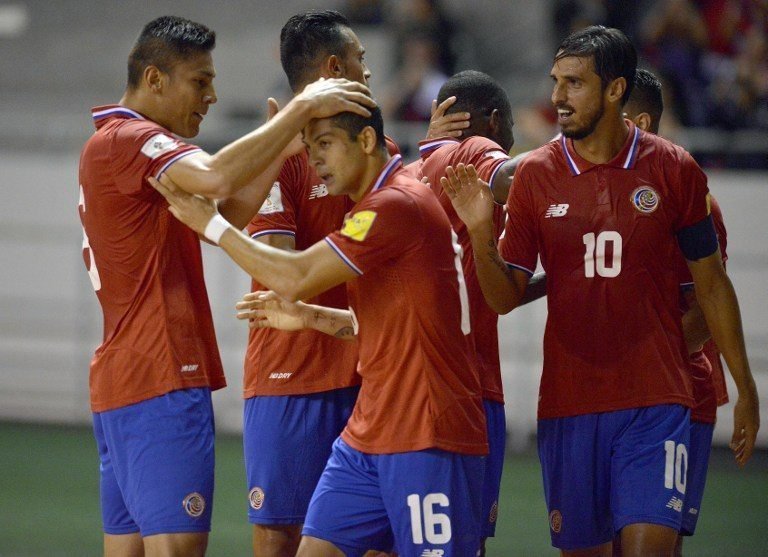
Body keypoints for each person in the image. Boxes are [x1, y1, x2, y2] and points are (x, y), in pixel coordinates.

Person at [441, 25, 760, 555]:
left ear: (615, 90)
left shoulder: (675, 169)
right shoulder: (536, 177)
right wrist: (479, 232)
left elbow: (712, 285)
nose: (558, 98)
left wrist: (745, 389)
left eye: (574, 84)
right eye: (555, 82)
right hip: (570, 404)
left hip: (657, 403)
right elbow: (501, 298)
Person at [78, 15, 374, 557]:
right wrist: (301, 113)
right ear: (155, 78)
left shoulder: (110, 144)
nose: (212, 95)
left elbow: (225, 215)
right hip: (162, 370)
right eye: (200, 80)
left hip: (123, 377)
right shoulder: (135, 139)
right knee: (181, 549)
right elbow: (215, 177)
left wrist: (281, 151)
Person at [150, 106, 488, 556]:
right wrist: (313, 318)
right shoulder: (382, 203)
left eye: (325, 146)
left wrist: (211, 223)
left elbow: (294, 275)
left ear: (366, 141)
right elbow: (393, 322)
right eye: (310, 150)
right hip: (370, 430)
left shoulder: (395, 204)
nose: (315, 162)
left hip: (426, 429)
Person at [239, 10, 463, 556]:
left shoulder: (379, 154)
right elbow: (280, 269)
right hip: (291, 371)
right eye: (361, 59)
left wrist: (420, 167)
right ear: (336, 65)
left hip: (371, 370)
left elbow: (396, 228)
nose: (368, 70)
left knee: (374, 537)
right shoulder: (276, 153)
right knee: (279, 534)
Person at [404, 69, 543, 554]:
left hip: (406, 387)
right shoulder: (471, 153)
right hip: (466, 386)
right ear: (494, 120)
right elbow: (514, 176)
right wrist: (587, 152)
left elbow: (490, 293)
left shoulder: (409, 172)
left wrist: (554, 281)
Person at [623, 67, 731, 556]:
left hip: (680, 392)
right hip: (616, 396)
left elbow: (707, 306)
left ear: (640, 121)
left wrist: (644, 366)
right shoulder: (601, 191)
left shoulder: (691, 196)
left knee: (657, 544)